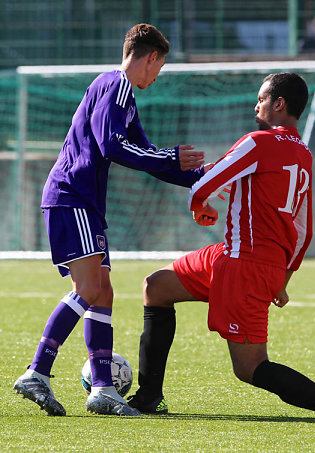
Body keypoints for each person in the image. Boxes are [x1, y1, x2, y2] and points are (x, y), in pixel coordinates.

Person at [127, 72, 315, 419]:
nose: (257, 106)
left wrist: (202, 207)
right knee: (156, 286)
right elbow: (304, 229)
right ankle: (149, 396)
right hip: (241, 258)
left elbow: (203, 186)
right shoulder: (304, 155)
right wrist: (284, 280)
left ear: (279, 104)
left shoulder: (258, 142)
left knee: (250, 367)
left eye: (261, 99)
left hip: (245, 266)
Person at [13, 23, 207, 417]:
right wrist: (172, 159)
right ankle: (37, 371)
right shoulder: (116, 84)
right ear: (150, 57)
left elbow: (145, 153)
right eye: (159, 68)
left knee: (103, 292)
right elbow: (113, 146)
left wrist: (202, 179)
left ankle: (102, 388)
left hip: (82, 202)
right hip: (73, 197)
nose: (156, 77)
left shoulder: (123, 97)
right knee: (90, 287)